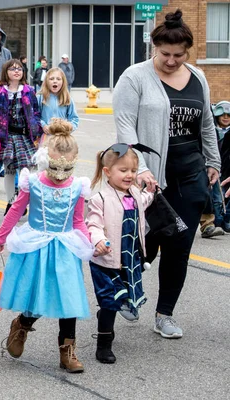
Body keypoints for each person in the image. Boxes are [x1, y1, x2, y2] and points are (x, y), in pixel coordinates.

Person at [113, 9, 221, 339]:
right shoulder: (134, 77)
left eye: (178, 55)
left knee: (179, 246)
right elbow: (124, 128)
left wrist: (213, 160)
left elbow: (205, 123)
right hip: (147, 178)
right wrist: (141, 169)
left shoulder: (198, 77)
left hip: (189, 175)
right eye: (165, 55)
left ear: (187, 51)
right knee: (143, 242)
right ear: (153, 47)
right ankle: (129, 291)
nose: (172, 61)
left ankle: (165, 314)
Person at [0, 119, 93, 373]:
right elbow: (16, 211)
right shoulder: (32, 182)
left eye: (67, 167)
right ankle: (22, 324)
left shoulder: (78, 187)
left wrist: (91, 245)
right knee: (38, 296)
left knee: (68, 300)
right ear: (47, 158)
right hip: (36, 246)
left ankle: (67, 351)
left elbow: (78, 220)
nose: (60, 174)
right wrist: (0, 238)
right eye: (56, 166)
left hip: (66, 247)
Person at [86, 144, 155, 364]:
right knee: (109, 301)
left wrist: (149, 192)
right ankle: (104, 345)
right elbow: (92, 224)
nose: (129, 175)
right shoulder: (100, 198)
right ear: (107, 171)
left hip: (129, 258)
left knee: (120, 298)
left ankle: (106, 317)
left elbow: (143, 202)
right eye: (123, 170)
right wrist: (98, 240)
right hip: (106, 259)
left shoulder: (134, 193)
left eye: (133, 171)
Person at [0, 59, 43, 213]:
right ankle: (11, 202)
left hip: (24, 136)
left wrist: (36, 127)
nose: (16, 71)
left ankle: (26, 201)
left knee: (28, 170)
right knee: (9, 170)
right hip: (7, 137)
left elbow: (36, 111)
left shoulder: (29, 91)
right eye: (12, 69)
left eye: (19, 69)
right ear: (6, 72)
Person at [37, 67, 79, 132]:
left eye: (58, 79)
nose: (55, 81)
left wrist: (68, 128)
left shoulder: (67, 98)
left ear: (63, 82)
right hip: (45, 135)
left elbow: (74, 118)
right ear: (46, 82)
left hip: (62, 136)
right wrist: (43, 125)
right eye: (51, 79)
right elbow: (35, 116)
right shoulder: (40, 97)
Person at [213, 101, 230, 232]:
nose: (225, 117)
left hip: (228, 170)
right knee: (217, 196)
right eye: (222, 114)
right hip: (215, 168)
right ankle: (217, 221)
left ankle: (227, 220)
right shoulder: (211, 131)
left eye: (228, 115)